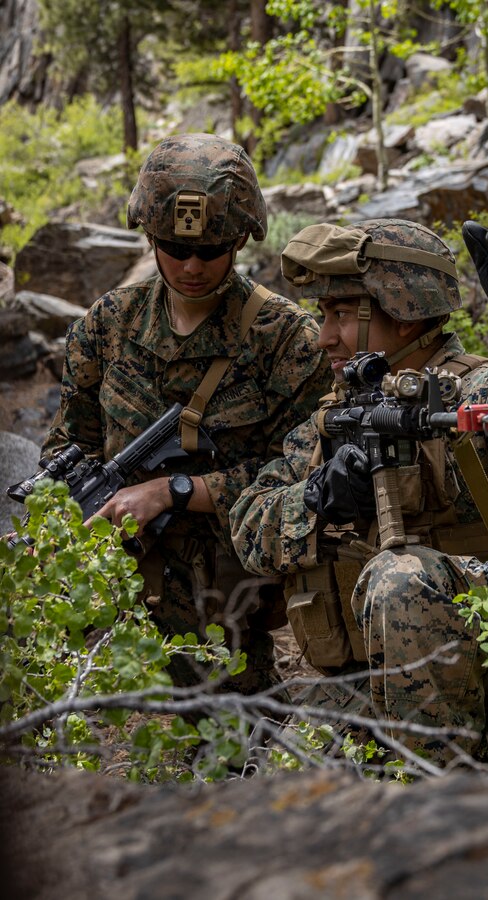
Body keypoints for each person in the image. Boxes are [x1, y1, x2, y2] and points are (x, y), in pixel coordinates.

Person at [229, 217, 488, 762]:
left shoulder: (476, 390)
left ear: (403, 315)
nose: (324, 336)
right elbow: (247, 529)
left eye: (339, 314)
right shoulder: (335, 416)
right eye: (321, 316)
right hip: (369, 693)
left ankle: (447, 804)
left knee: (400, 577)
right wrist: (315, 499)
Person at [40, 132, 332, 693]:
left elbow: (304, 478)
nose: (192, 265)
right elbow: (67, 444)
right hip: (117, 597)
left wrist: (174, 492)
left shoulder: (287, 338)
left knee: (226, 755)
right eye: (175, 248)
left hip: (225, 609)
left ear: (241, 241)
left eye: (211, 249)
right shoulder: (107, 324)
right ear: (150, 239)